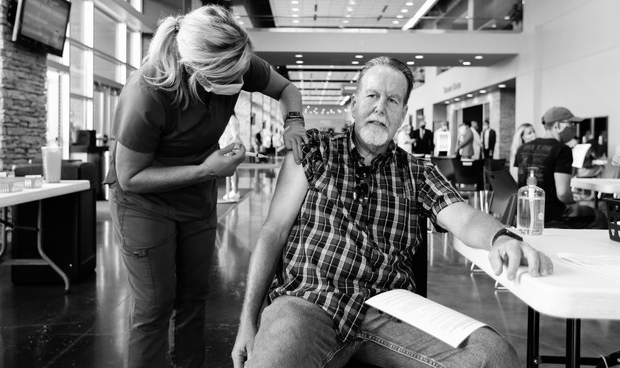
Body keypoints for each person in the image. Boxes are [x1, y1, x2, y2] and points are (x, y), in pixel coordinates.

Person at [231, 56, 553, 368]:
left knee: (494, 356)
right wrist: (248, 319)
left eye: (393, 100)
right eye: (371, 95)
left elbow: (464, 217)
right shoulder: (314, 150)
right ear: (354, 103)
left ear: (403, 114)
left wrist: (500, 238)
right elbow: (274, 231)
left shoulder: (418, 172)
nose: (380, 108)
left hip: (390, 311)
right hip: (309, 303)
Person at [104, 5, 308, 368]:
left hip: (196, 198)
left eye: (240, 73)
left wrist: (294, 122)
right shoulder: (147, 92)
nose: (239, 83)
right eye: (228, 77)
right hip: (143, 202)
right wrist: (205, 170)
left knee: (194, 297)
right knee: (154, 305)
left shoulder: (238, 64)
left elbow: (287, 89)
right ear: (194, 67)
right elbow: (131, 178)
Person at [514, 106, 607, 229]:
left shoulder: (522, 149)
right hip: (554, 217)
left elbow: (518, 182)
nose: (574, 128)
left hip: (526, 214)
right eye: (571, 124)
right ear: (557, 126)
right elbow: (563, 193)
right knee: (600, 216)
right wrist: (572, 203)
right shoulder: (562, 150)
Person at [220, 113, 242, 201]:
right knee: (231, 168)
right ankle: (232, 190)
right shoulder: (229, 118)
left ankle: (235, 191)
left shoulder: (231, 118)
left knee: (232, 169)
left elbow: (234, 135)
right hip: (227, 146)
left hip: (230, 146)